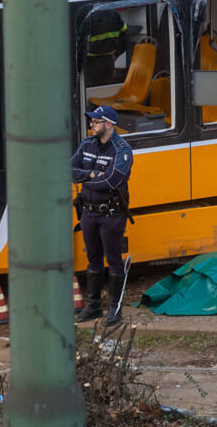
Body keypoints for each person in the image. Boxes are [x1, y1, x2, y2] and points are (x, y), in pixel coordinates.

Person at [72, 105, 134, 325]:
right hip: (88, 212)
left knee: (114, 260)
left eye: (96, 121)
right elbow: (69, 169)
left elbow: (111, 181)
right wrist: (90, 173)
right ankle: (93, 306)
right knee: (93, 260)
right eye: (91, 121)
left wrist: (85, 179)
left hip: (111, 214)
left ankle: (114, 310)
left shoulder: (122, 150)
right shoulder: (87, 144)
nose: (91, 124)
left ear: (109, 124)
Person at [84, 8, 126, 86]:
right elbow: (125, 37)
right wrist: (117, 54)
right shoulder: (114, 14)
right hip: (108, 60)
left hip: (91, 61)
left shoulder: (88, 15)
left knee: (91, 92)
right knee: (107, 91)